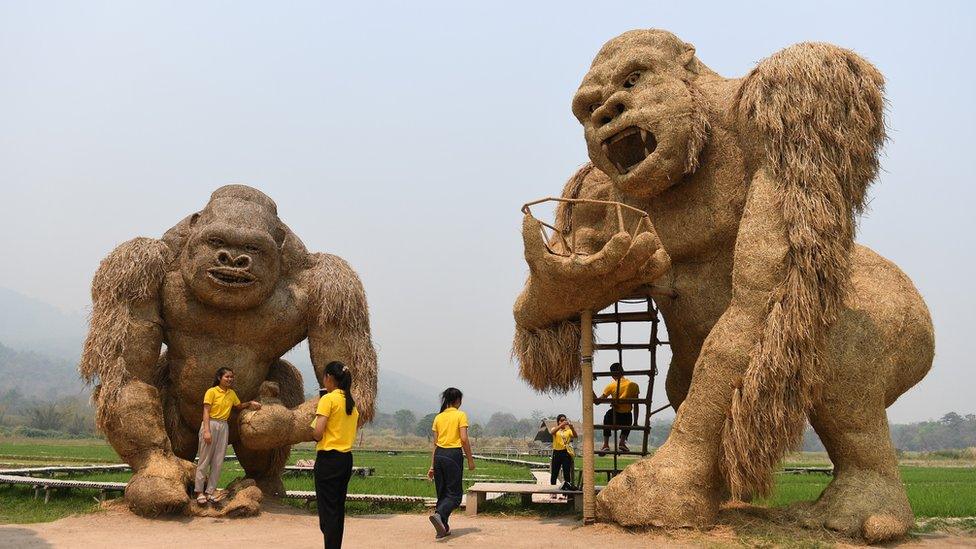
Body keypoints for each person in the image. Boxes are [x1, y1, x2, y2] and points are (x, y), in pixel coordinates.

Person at [311, 361, 359, 549]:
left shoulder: (328, 400)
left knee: (327, 511)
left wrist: (314, 427)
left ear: (329, 378)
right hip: (345, 459)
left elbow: (317, 433)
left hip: (328, 460)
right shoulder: (351, 404)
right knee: (337, 508)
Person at [196, 367, 262, 504]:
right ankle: (199, 492)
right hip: (211, 424)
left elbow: (238, 406)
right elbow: (206, 412)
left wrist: (250, 403)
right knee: (204, 459)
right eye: (227, 377)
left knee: (218, 460)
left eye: (231, 377)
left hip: (223, 426)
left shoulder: (231, 393)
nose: (230, 379)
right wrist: (207, 431)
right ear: (219, 378)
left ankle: (210, 491)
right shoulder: (212, 392)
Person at [427, 387, 475, 539]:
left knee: (442, 494)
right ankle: (439, 515)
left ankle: (443, 527)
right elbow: (464, 439)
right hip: (453, 455)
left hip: (439, 456)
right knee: (454, 496)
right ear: (458, 400)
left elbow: (435, 444)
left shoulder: (438, 417)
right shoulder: (461, 415)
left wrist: (432, 466)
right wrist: (470, 460)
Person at [595, 362, 639, 453]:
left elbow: (598, 402)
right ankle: (622, 442)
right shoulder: (634, 385)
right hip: (627, 417)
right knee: (628, 419)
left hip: (614, 415)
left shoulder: (611, 386)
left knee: (607, 417)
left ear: (612, 375)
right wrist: (635, 421)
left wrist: (590, 388)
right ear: (623, 371)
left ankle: (605, 444)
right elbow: (636, 405)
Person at [549, 413, 578, 490]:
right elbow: (552, 433)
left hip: (566, 453)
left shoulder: (568, 431)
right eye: (561, 420)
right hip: (556, 453)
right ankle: (552, 491)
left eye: (565, 420)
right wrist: (560, 426)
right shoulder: (555, 429)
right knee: (554, 473)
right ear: (558, 421)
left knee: (566, 472)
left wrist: (572, 427)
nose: (563, 422)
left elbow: (575, 436)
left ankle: (567, 490)